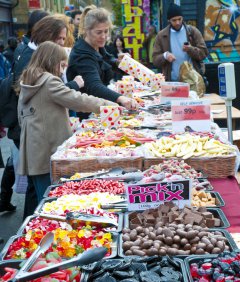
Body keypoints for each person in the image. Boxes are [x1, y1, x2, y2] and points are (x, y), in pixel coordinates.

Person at [0, 15, 84, 217]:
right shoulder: (34, 59)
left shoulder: (30, 52)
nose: (63, 43)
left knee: (37, 188)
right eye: (60, 39)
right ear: (48, 36)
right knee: (40, 192)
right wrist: (73, 86)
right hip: (36, 136)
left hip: (32, 133)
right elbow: (52, 93)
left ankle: (32, 226)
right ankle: (32, 229)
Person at [18, 41, 116, 202]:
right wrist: (110, 105)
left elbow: (21, 117)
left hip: (33, 150)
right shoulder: (49, 81)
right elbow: (78, 100)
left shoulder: (29, 80)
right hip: (47, 150)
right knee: (52, 199)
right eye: (62, 65)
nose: (62, 70)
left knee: (42, 198)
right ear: (51, 61)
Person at [67, 7, 138, 120]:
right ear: (87, 30)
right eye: (99, 32)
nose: (104, 36)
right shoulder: (82, 54)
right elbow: (94, 86)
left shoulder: (96, 46)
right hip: (85, 114)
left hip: (98, 110)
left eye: (106, 31)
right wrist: (121, 98)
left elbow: (108, 60)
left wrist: (120, 62)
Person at [152, 3, 208, 82]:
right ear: (169, 20)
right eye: (174, 20)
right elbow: (155, 60)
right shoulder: (161, 36)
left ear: (182, 18)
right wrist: (165, 56)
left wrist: (191, 49)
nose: (177, 22)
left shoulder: (192, 31)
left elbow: (204, 53)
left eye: (179, 19)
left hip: (192, 81)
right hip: (172, 81)